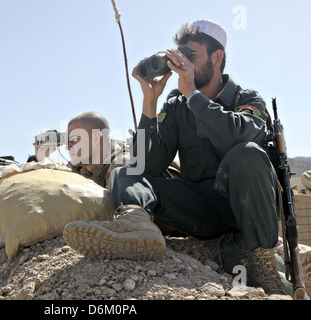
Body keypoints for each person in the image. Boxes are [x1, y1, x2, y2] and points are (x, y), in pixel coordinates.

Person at [63, 20, 289, 297]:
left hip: (246, 209)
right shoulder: (175, 104)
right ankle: (135, 225)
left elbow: (238, 136)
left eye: (191, 55)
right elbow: (147, 164)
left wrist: (193, 94)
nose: (182, 63)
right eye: (178, 55)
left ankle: (263, 264)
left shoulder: (246, 98)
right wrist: (150, 102)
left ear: (217, 57)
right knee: (125, 171)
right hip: (203, 209)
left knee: (249, 153)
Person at [27, 111, 130, 189]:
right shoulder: (78, 167)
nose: (67, 148)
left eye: (74, 140)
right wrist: (42, 158)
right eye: (67, 141)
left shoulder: (122, 165)